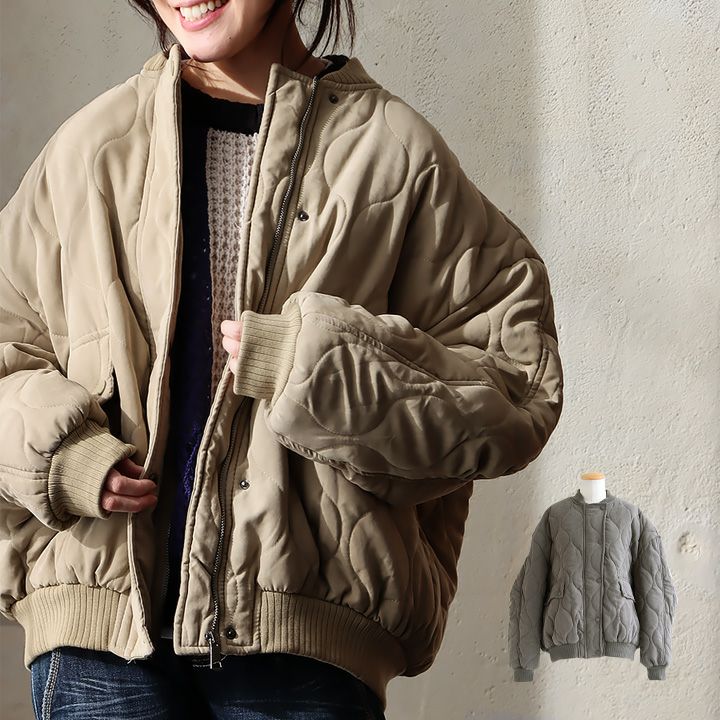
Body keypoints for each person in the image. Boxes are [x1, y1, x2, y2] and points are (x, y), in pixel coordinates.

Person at [0, 0, 564, 718]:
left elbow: (517, 386)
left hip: (304, 652)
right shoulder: (90, 148)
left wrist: (320, 369)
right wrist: (61, 454)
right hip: (98, 647)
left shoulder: (396, 155)